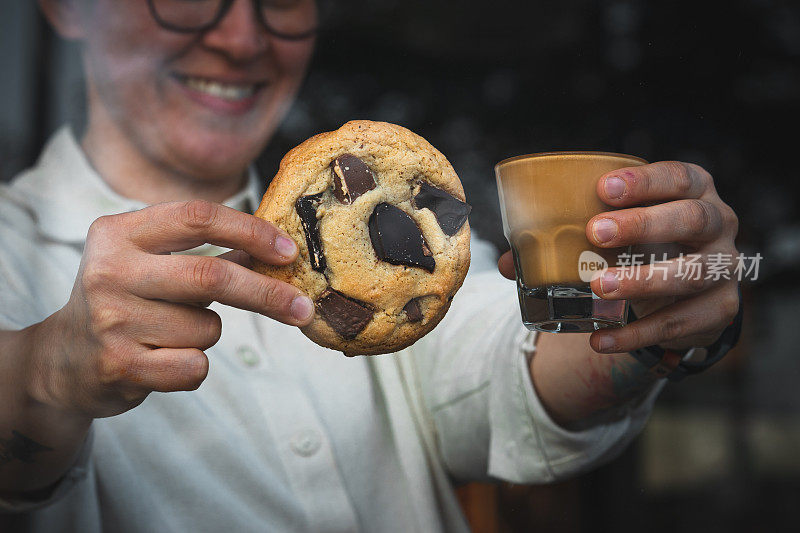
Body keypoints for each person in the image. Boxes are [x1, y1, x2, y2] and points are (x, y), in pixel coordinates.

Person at [0, 0, 741, 531]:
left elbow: (505, 364)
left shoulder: (415, 243)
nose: (240, 35)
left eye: (283, 1)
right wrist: (42, 373)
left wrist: (644, 318)